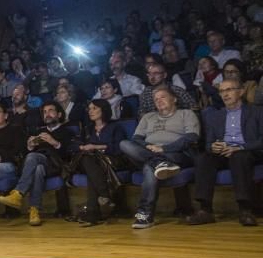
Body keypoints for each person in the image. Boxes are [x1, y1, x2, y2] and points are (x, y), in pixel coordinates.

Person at [120, 85, 201, 229]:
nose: (159, 101)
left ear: (174, 99)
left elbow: (191, 137)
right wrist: (149, 147)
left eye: (162, 97)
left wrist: (164, 149)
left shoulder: (186, 114)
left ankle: (145, 214)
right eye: (155, 99)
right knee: (124, 144)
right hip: (149, 152)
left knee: (149, 167)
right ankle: (159, 163)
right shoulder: (147, 117)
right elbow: (137, 139)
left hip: (178, 154)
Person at [188, 78, 263, 226]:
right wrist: (213, 146)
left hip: (247, 151)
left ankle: (245, 210)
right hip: (223, 152)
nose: (225, 94)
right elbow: (209, 143)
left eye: (229, 90)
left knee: (239, 156)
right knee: (203, 158)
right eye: (221, 91)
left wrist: (240, 147)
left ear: (240, 92)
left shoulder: (256, 112)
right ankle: (205, 210)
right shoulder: (215, 116)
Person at [0, 102, 76, 225]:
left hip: (56, 165)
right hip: (38, 165)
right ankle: (34, 210)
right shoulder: (38, 131)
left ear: (59, 114)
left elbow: (70, 153)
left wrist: (54, 142)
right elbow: (23, 153)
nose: (47, 114)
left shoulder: (66, 131)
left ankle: (18, 193)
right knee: (37, 168)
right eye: (45, 112)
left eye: (50, 111)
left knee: (33, 157)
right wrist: (29, 145)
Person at [66, 100, 127, 226]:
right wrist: (83, 147)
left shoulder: (115, 127)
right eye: (89, 109)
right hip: (91, 162)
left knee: (91, 172)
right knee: (88, 160)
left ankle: (93, 213)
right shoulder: (87, 129)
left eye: (94, 108)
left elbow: (119, 147)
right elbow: (72, 146)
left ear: (103, 110)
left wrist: (95, 146)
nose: (90, 111)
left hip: (110, 161)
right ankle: (105, 195)